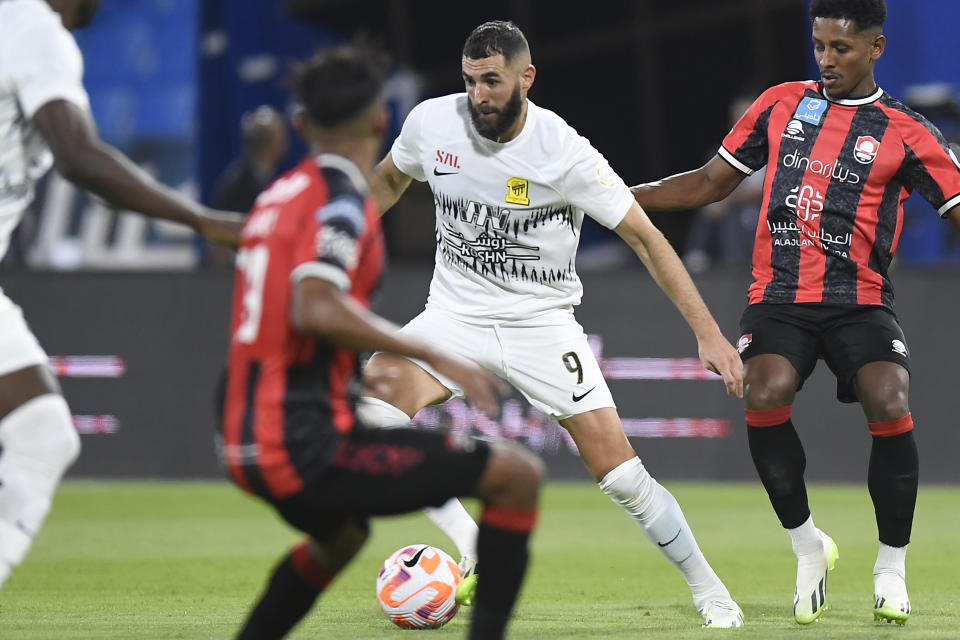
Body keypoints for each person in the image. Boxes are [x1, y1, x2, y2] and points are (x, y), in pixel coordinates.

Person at [362, 20, 746, 628]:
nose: (478, 95)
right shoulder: (432, 123)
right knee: (370, 414)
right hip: (452, 316)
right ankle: (473, 541)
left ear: (525, 78)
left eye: (491, 80)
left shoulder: (563, 151)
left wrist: (708, 332)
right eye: (469, 81)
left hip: (540, 324)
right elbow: (386, 180)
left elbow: (646, 239)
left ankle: (711, 589)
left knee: (620, 475)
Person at [630, 0, 960, 626]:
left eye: (841, 47)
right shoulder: (781, 103)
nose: (827, 59)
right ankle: (808, 546)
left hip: (860, 301)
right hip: (779, 297)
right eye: (819, 45)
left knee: (889, 399)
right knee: (763, 390)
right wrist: (615, 198)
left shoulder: (908, 131)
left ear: (876, 48)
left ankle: (891, 566)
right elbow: (707, 184)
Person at [219, 44, 544, 640]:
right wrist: (433, 351)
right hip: (297, 440)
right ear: (379, 121)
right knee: (516, 477)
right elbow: (312, 305)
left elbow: (266, 284)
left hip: (239, 429)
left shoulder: (282, 196)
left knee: (342, 537)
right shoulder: (344, 203)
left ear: (300, 126)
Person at [0, 0, 242, 589]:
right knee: (41, 434)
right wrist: (201, 219)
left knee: (40, 431)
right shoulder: (35, 29)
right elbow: (79, 156)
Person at [213, 105, 290, 215]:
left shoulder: (271, 178)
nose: (285, 141)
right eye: (280, 135)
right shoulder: (235, 190)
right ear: (270, 143)